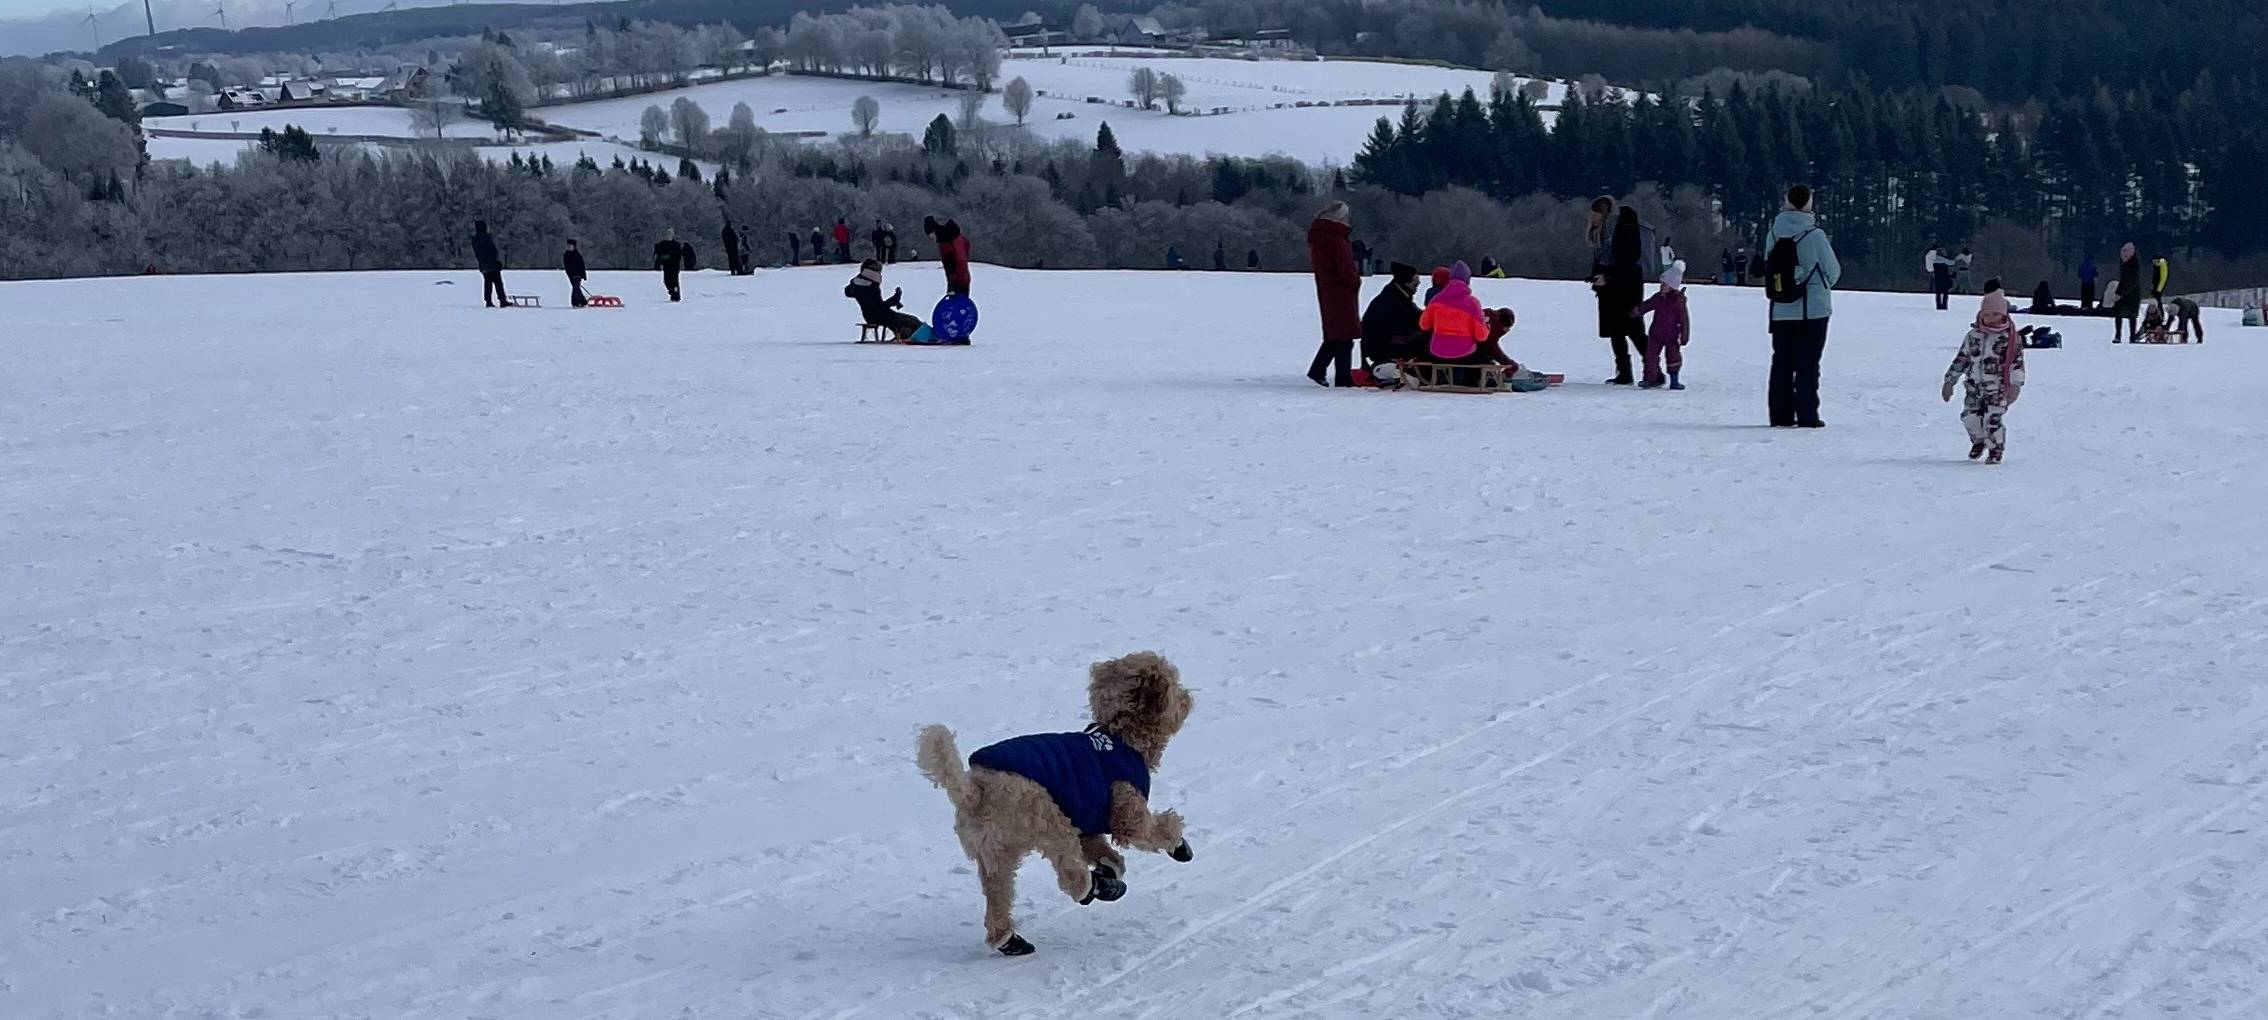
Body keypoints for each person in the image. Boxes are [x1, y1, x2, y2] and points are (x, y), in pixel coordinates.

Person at [1765, 184, 1842, 428]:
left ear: (1786, 201)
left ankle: (1780, 415)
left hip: (1781, 308)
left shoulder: (1774, 233)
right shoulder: (1815, 235)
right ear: (1809, 203)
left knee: (1782, 363)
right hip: (1813, 310)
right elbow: (1833, 271)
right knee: (1808, 364)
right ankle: (1808, 415)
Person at [1941, 288, 2026, 464]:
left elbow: (2016, 363)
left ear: (2003, 316)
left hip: (1997, 389)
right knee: (1969, 417)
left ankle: (1995, 449)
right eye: (1987, 314)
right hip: (1974, 387)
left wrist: (2015, 385)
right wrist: (1950, 381)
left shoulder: (2009, 338)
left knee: (1992, 420)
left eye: (1996, 314)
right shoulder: (1974, 336)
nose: (1991, 318)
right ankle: (1979, 440)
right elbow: (1962, 359)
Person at [1592, 205, 1660, 385]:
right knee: (1627, 332)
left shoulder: (1622, 234)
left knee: (1628, 332)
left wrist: (1606, 278)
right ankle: (1646, 371)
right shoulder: (1627, 233)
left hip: (1620, 292)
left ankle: (1638, 372)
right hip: (1623, 290)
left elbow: (1623, 265)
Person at [1304, 200, 1362, 387]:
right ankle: (1342, 378)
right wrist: (1354, 281)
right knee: (1344, 337)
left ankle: (1319, 369)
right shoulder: (1337, 240)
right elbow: (1345, 268)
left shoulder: (1320, 238)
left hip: (1329, 290)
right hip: (1341, 292)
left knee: (1335, 334)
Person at [1632, 263, 1690, 390]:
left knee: (1673, 357)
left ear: (1672, 286)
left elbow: (1684, 320)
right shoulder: (1658, 298)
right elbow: (1647, 305)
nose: (1661, 286)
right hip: (1656, 334)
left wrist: (1684, 336)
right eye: (1661, 284)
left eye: (1664, 284)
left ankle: (1674, 380)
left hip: (1672, 335)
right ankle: (1650, 378)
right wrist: (1637, 311)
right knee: (1650, 356)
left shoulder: (1678, 301)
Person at [1360, 261, 1424, 368]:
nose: (1417, 285)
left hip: (1384, 343)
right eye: (1415, 282)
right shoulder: (1392, 300)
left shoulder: (1399, 296)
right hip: (1382, 347)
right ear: (1406, 282)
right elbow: (1408, 322)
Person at [846, 259, 923, 341]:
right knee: (913, 320)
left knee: (906, 319)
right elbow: (878, 307)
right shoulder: (872, 286)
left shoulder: (856, 283)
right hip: (880, 316)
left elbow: (848, 292)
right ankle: (913, 336)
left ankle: (904, 334)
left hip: (868, 315)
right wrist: (894, 299)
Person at [924, 216, 972, 296]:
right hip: (965, 277)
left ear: (934, 231)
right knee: (963, 305)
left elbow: (950, 266)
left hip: (957, 282)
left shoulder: (944, 244)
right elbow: (967, 244)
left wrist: (951, 285)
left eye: (930, 234)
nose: (930, 237)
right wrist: (964, 260)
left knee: (955, 306)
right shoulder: (957, 236)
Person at [2112, 242, 2142, 342]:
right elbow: (2123, 279)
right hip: (2123, 290)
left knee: (2132, 315)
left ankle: (2132, 336)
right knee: (2118, 314)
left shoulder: (2135, 264)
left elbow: (2133, 281)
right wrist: (2117, 292)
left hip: (2133, 293)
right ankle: (2117, 336)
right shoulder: (2123, 264)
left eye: (2125, 253)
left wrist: (2121, 294)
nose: (2123, 255)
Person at [472, 220, 505, 308]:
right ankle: (502, 300)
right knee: (498, 283)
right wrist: (496, 261)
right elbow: (493, 251)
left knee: (488, 284)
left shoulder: (475, 240)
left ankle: (488, 301)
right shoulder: (486, 238)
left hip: (483, 266)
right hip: (492, 265)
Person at [654, 228, 685, 302]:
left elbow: (678, 256)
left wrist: (669, 256)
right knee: (666, 281)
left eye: (670, 234)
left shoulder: (676, 244)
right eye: (667, 234)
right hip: (666, 266)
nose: (668, 236)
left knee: (674, 281)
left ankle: (676, 295)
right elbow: (658, 254)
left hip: (674, 266)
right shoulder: (662, 244)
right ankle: (672, 293)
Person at [563, 238, 588, 307]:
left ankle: (575, 302)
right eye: (568, 246)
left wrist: (583, 275)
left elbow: (582, 265)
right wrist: (570, 274)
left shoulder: (577, 255)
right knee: (576, 288)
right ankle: (583, 302)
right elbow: (567, 266)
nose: (569, 247)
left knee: (576, 288)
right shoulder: (566, 255)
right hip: (571, 275)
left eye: (570, 246)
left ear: (574, 246)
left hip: (578, 274)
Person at [1930, 246, 1956, 311]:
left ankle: (1938, 305)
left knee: (1938, 293)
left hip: (1937, 279)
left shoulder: (1933, 259)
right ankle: (1944, 306)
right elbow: (1952, 263)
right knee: (1945, 293)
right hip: (1944, 278)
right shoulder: (1942, 259)